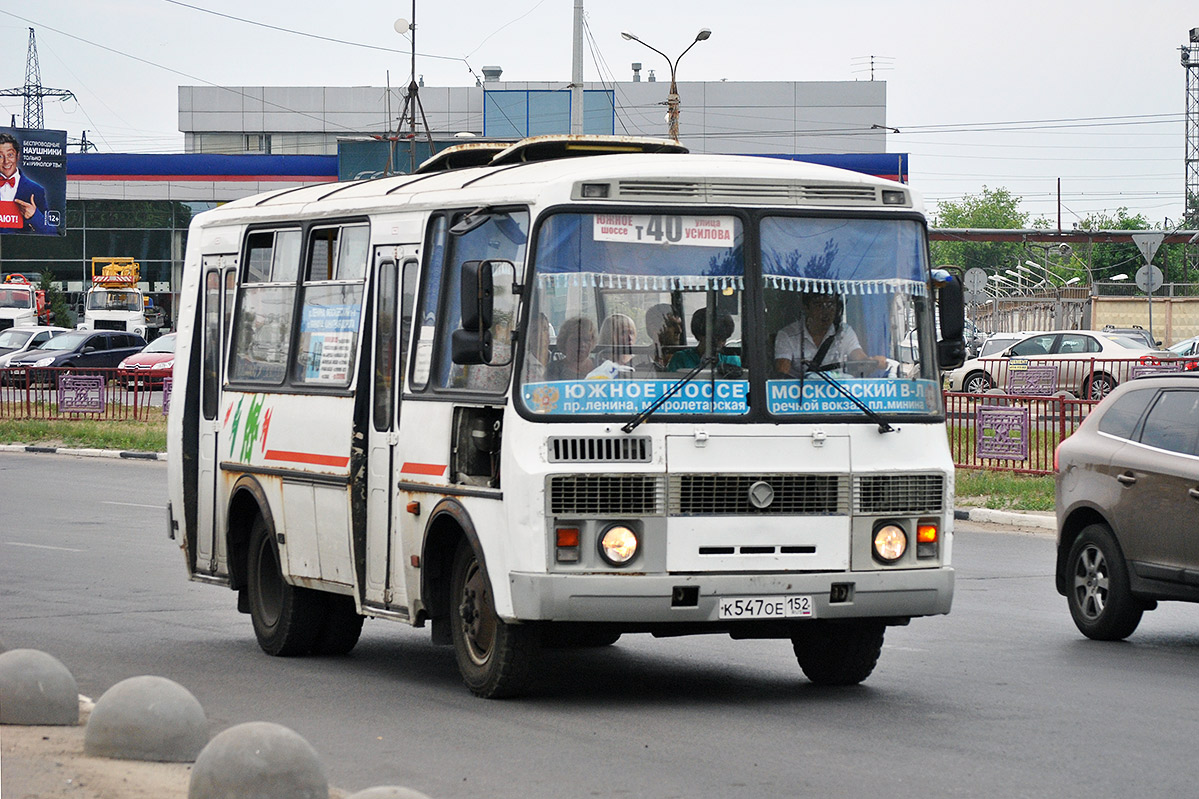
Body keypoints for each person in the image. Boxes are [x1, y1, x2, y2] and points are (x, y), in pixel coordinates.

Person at [773, 291, 887, 377]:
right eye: (818, 305)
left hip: (836, 399)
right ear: (806, 308)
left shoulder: (844, 332)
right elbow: (782, 374)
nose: (825, 311)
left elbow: (860, 359)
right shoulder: (787, 335)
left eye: (830, 304)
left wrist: (873, 362)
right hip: (801, 400)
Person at [0, 133, 56, 235]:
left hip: (21, 249)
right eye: (0, 156)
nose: (6, 161)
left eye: (10, 155)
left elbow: (52, 232)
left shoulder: (35, 190)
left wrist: (34, 216)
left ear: (18, 156)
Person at [668, 308, 742, 371]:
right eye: (717, 339)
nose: (722, 343)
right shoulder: (680, 358)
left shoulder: (733, 361)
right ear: (700, 335)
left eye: (724, 339)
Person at [642, 303, 682, 369]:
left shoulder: (685, 363)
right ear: (653, 328)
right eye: (672, 325)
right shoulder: (635, 365)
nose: (679, 331)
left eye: (680, 325)